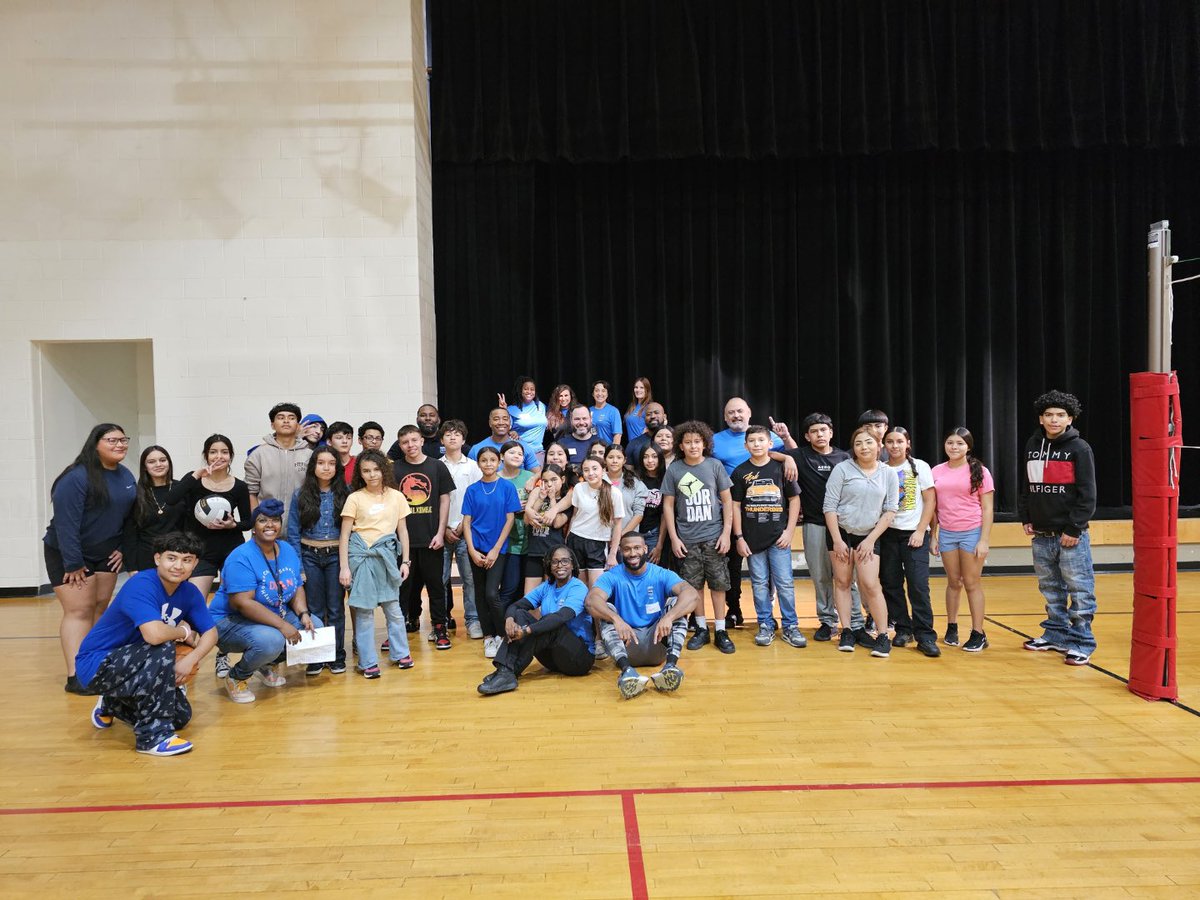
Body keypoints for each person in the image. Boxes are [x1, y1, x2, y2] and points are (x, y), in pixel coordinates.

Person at [76, 532, 218, 756]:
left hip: (137, 663)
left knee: (180, 717)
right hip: (97, 665)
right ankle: (152, 738)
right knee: (162, 647)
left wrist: (191, 659)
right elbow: (153, 636)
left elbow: (211, 632)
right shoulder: (141, 584)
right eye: (171, 558)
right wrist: (182, 631)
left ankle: (112, 703)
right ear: (157, 559)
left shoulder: (189, 592)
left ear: (195, 564)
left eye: (186, 560)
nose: (178, 566)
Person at [45, 424, 138, 694]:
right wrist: (73, 562)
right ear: (95, 444)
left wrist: (121, 547)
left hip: (106, 553)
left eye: (123, 439)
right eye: (112, 440)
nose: (120, 444)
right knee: (79, 611)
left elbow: (128, 519)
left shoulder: (125, 475)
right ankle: (76, 676)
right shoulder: (76, 477)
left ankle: (95, 666)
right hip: (69, 553)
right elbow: (66, 524)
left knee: (99, 608)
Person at [210, 499, 322, 702]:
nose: (270, 525)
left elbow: (296, 586)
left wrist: (303, 613)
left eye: (275, 520)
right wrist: (282, 626)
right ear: (254, 527)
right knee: (272, 640)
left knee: (316, 629)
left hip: (271, 612)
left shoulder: (286, 549)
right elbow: (242, 603)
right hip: (229, 621)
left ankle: (265, 664)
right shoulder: (241, 557)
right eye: (262, 520)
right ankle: (237, 676)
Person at [1018, 390, 1098, 666]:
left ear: (1070, 419)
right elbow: (1028, 485)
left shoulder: (1080, 448)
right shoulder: (1032, 444)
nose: (1054, 419)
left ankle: (1082, 641)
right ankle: (1056, 634)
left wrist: (1074, 529)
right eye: (1049, 415)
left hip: (1069, 535)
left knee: (1080, 589)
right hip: (1041, 533)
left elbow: (1088, 494)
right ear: (1041, 418)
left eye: (1060, 415)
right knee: (1050, 588)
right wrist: (1026, 516)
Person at [775, 413, 865, 641]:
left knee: (846, 577)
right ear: (807, 436)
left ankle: (856, 622)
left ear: (831, 433)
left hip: (844, 527)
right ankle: (827, 620)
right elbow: (764, 453)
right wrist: (786, 458)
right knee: (820, 576)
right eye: (814, 431)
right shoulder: (800, 455)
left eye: (823, 430)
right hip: (815, 524)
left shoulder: (846, 458)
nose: (819, 434)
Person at [711, 397, 794, 629]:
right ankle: (734, 609)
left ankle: (769, 613)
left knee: (772, 573)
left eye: (740, 411)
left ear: (749, 412)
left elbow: (795, 456)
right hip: (731, 512)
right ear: (725, 417)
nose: (736, 415)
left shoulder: (764, 435)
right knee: (732, 566)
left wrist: (786, 450)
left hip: (766, 512)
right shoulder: (715, 441)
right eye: (731, 413)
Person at [586, 532, 699, 698]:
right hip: (627, 645)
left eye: (637, 548)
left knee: (677, 606)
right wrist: (616, 619)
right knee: (606, 609)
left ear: (645, 549)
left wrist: (668, 617)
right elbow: (591, 601)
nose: (632, 553)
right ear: (620, 552)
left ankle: (670, 667)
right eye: (627, 549)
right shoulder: (612, 576)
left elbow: (692, 595)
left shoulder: (660, 573)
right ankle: (627, 672)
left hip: (657, 643)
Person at [823, 427, 899, 658]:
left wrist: (870, 540)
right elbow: (830, 506)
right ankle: (847, 631)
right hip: (841, 534)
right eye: (858, 443)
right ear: (853, 448)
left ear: (879, 446)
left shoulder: (888, 473)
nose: (863, 447)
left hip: (869, 536)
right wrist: (837, 540)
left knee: (870, 584)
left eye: (868, 442)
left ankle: (883, 635)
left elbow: (890, 510)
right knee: (843, 582)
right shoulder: (842, 469)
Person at [477, 546, 595, 695]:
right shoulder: (547, 586)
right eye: (555, 562)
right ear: (549, 566)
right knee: (520, 614)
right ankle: (506, 671)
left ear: (573, 565)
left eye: (565, 561)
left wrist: (526, 631)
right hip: (553, 658)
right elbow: (517, 605)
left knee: (551, 623)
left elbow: (561, 617)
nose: (560, 565)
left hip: (578, 659)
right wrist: (509, 619)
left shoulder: (578, 587)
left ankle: (507, 671)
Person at [338, 450, 414, 678]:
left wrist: (406, 561)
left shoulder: (397, 496)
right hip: (360, 558)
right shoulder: (355, 498)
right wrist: (344, 567)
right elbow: (344, 536)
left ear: (384, 470)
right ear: (360, 474)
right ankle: (368, 661)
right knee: (364, 613)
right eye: (366, 471)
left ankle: (400, 653)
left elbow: (403, 531)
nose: (372, 475)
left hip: (387, 558)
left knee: (394, 610)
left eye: (376, 470)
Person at [662, 420, 736, 653]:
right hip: (687, 539)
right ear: (680, 446)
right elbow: (668, 506)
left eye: (697, 441)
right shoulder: (674, 469)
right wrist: (674, 538)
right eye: (688, 442)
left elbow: (727, 501)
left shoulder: (714, 466)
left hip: (714, 537)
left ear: (704, 443)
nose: (693, 446)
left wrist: (726, 534)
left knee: (718, 584)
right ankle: (702, 628)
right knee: (694, 587)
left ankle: (721, 630)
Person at [730, 426, 804, 648]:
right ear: (745, 445)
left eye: (761, 440)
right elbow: (735, 506)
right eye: (751, 441)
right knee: (759, 583)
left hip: (778, 537)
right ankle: (765, 623)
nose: (756, 444)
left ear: (770, 444)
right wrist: (739, 537)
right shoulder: (740, 472)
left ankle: (791, 625)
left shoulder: (780, 468)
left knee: (785, 583)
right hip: (752, 540)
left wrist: (790, 531)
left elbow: (794, 500)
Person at [165, 434, 253, 601]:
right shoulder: (194, 479)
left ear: (231, 456)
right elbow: (170, 500)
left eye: (224, 452)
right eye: (213, 452)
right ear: (206, 455)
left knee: (236, 601)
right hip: (201, 549)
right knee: (194, 601)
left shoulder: (240, 486)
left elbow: (248, 522)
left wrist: (232, 525)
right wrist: (196, 475)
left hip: (231, 548)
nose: (219, 456)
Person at [931, 427, 995, 652]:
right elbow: (934, 507)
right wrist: (933, 535)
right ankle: (951, 626)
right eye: (950, 442)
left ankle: (978, 633)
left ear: (968, 446)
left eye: (959, 443)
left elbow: (987, 509)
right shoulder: (936, 471)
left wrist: (983, 540)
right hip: (947, 532)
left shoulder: (980, 472)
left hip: (971, 531)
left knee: (971, 582)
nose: (954, 447)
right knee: (953, 582)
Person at [287, 447, 349, 675]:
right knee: (313, 609)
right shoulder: (300, 494)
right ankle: (315, 657)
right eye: (321, 463)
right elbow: (293, 533)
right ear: (313, 466)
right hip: (309, 556)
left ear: (337, 467)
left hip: (335, 556)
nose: (326, 467)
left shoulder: (346, 493)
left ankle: (336, 655)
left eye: (331, 463)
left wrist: (346, 564)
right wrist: (299, 568)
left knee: (335, 608)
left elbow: (351, 532)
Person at [880, 427, 940, 657]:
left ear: (908, 444)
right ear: (884, 445)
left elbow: (930, 501)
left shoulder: (920, 466)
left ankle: (925, 635)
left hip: (914, 535)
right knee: (891, 584)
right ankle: (903, 629)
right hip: (888, 535)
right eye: (890, 442)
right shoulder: (882, 468)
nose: (894, 446)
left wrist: (920, 531)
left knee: (918, 586)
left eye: (899, 441)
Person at [393, 424, 453, 648]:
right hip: (403, 541)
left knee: (436, 586)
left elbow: (445, 500)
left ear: (421, 441)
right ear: (400, 445)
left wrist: (440, 532)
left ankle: (439, 627)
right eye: (405, 442)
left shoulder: (437, 466)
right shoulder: (394, 469)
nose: (410, 445)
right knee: (403, 587)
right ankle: (398, 628)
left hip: (431, 539)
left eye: (414, 440)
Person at [462, 446, 523, 659]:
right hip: (476, 549)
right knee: (479, 593)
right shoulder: (472, 490)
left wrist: (496, 550)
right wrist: (471, 549)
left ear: (498, 462)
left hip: (498, 549)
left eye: (492, 460)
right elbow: (467, 522)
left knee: (491, 593)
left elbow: (510, 519)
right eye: (484, 460)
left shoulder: (506, 487)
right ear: (478, 464)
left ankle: (501, 635)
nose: (488, 464)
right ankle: (488, 636)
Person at [440, 420, 483, 638]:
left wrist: (461, 525)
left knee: (469, 579)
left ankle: (473, 620)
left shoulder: (473, 466)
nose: (453, 437)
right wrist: (445, 528)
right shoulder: (436, 465)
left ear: (464, 440)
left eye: (457, 434)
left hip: (466, 530)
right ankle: (441, 621)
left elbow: (476, 498)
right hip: (442, 531)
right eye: (448, 434)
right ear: (442, 440)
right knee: (441, 579)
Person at [560, 457, 625, 586]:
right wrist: (568, 538)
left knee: (596, 588)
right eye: (586, 470)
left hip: (598, 543)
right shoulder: (579, 487)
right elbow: (575, 515)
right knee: (580, 587)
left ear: (604, 470)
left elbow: (617, 525)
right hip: (576, 539)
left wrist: (613, 554)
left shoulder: (614, 493)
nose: (590, 473)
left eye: (595, 469)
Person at [244, 402, 312, 523]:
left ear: (297, 425)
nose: (286, 421)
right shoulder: (258, 454)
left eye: (291, 418)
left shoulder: (309, 455)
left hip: (300, 525)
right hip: (267, 523)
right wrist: (256, 522)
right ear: (272, 425)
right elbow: (251, 492)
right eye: (281, 418)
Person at [123, 445, 186, 574]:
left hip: (177, 556)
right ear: (144, 467)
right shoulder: (136, 492)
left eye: (163, 460)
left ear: (169, 462)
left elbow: (189, 526)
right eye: (151, 462)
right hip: (145, 558)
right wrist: (132, 568)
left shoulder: (181, 489)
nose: (158, 464)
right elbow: (130, 533)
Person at [522, 463, 570, 594]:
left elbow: (556, 523)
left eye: (554, 480)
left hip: (554, 553)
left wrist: (553, 499)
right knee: (530, 595)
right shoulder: (538, 495)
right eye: (545, 481)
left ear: (563, 479)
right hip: (534, 551)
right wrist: (541, 499)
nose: (549, 484)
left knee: (551, 594)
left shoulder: (564, 500)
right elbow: (526, 521)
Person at [498, 441, 535, 608]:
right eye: (512, 452)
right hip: (507, 542)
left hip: (530, 540)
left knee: (525, 588)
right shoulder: (496, 479)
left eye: (520, 454)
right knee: (509, 587)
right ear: (501, 456)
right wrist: (511, 508)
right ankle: (502, 627)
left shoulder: (530, 477)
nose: (516, 456)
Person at [468, 408, 538, 472]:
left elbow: (537, 475)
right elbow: (470, 477)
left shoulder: (523, 447)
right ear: (490, 423)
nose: (501, 422)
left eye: (505, 419)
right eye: (496, 419)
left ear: (510, 422)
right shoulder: (476, 449)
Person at [501, 375, 549, 464]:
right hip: (518, 453)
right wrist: (503, 411)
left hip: (538, 453)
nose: (529, 391)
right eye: (526, 389)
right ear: (520, 391)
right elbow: (503, 429)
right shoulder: (511, 409)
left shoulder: (541, 406)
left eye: (532, 389)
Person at [604, 444, 647, 536]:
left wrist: (621, 535)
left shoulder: (636, 484)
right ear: (605, 459)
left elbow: (638, 514)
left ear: (624, 460)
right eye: (611, 457)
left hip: (627, 537)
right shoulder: (598, 481)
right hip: (600, 536)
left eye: (619, 457)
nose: (615, 461)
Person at [634, 444, 667, 564]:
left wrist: (659, 545)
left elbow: (665, 514)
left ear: (660, 458)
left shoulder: (666, 479)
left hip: (653, 533)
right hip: (634, 532)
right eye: (646, 457)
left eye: (654, 456)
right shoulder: (635, 479)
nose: (650, 461)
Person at [557, 404, 597, 472]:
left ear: (591, 419)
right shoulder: (561, 445)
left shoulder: (600, 444)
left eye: (584, 418)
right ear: (571, 421)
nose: (581, 422)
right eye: (577, 419)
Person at [589, 380, 622, 445]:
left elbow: (617, 435)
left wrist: (613, 452)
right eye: (597, 390)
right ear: (593, 394)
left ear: (607, 394)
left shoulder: (613, 411)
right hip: (591, 451)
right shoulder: (588, 411)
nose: (600, 393)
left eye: (603, 391)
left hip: (607, 450)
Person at [623, 377, 654, 443]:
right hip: (631, 445)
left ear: (647, 390)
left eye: (641, 388)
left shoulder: (649, 407)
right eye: (636, 387)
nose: (638, 390)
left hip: (643, 446)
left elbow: (652, 429)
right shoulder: (632, 406)